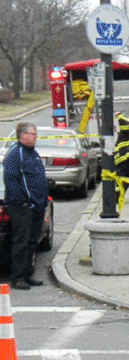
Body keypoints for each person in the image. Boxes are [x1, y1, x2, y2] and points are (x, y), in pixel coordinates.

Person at [2, 122, 49, 290]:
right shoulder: (16, 154)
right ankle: (18, 277)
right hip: (22, 207)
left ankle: (28, 274)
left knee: (32, 241)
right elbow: (11, 180)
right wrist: (24, 201)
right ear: (23, 135)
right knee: (20, 242)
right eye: (33, 134)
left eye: (36, 134)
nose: (35, 137)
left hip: (37, 205)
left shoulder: (32, 153)